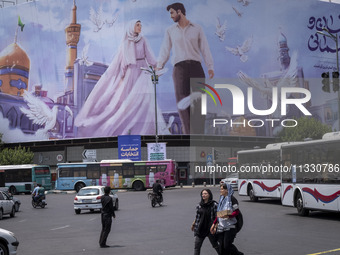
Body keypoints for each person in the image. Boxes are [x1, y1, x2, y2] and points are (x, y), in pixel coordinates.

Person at [75, 19, 169, 137]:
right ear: (131, 27)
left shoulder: (143, 40)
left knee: (144, 101)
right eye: (137, 25)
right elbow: (122, 64)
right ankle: (125, 131)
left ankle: (146, 132)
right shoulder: (125, 44)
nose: (140, 27)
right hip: (129, 74)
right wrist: (121, 80)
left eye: (141, 25)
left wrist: (156, 66)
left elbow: (150, 57)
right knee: (125, 103)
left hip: (142, 73)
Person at [157, 2, 214, 134]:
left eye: (172, 13)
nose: (170, 16)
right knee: (182, 104)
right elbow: (165, 50)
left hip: (196, 68)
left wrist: (210, 66)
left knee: (198, 103)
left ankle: (198, 135)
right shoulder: (170, 31)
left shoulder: (197, 28)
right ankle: (188, 135)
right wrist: (159, 66)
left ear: (179, 12)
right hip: (179, 70)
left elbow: (205, 48)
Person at [210, 183, 243, 255]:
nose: (220, 190)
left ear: (227, 190)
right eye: (220, 189)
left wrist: (228, 216)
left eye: (222, 189)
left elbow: (236, 212)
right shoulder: (222, 199)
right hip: (221, 227)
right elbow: (219, 214)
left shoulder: (232, 199)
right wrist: (214, 223)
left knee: (227, 245)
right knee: (221, 248)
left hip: (230, 226)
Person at [191, 189, 219, 255]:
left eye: (205, 193)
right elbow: (198, 216)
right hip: (201, 229)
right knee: (197, 247)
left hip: (210, 229)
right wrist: (193, 224)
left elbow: (217, 217)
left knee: (215, 245)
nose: (203, 195)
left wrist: (215, 226)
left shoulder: (214, 204)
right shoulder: (199, 205)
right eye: (202, 194)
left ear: (209, 195)